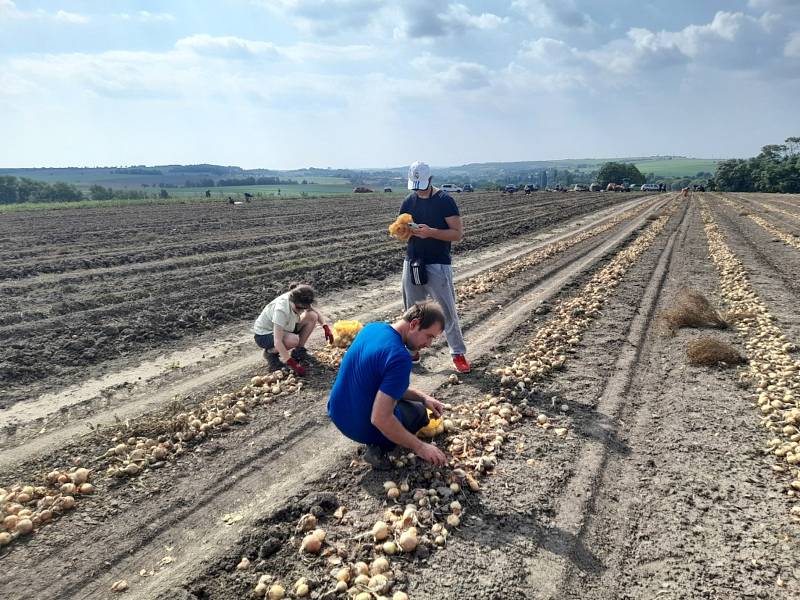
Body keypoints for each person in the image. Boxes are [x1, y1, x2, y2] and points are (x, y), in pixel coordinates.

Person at [327, 302, 448, 469]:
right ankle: (379, 447)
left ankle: (376, 435)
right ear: (414, 324)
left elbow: (385, 386)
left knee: (415, 403)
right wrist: (421, 447)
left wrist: (423, 397)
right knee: (418, 414)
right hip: (360, 427)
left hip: (337, 413)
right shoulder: (399, 357)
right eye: (429, 336)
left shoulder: (372, 328)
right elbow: (380, 418)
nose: (429, 344)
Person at [400, 160, 470, 373]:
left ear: (430, 180)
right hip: (412, 261)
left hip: (438, 263)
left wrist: (431, 232)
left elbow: (457, 234)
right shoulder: (408, 202)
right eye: (415, 186)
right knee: (411, 310)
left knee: (446, 310)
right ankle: (411, 351)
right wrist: (404, 232)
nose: (418, 191)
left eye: (421, 185)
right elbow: (402, 232)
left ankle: (457, 353)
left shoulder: (445, 201)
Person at [252, 283, 334, 375]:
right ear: (294, 303)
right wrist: (292, 364)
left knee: (312, 316)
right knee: (293, 340)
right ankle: (270, 354)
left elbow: (314, 311)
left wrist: (325, 327)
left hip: (287, 327)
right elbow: (277, 341)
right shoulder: (281, 310)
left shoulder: (298, 297)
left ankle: (299, 352)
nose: (302, 311)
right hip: (264, 335)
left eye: (304, 308)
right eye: (300, 308)